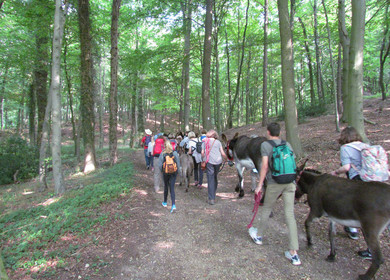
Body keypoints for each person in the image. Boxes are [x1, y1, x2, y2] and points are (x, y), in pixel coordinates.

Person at [250, 122, 301, 266]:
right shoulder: (288, 144)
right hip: (290, 182)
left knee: (266, 208)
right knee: (289, 214)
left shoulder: (266, 145)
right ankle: (293, 253)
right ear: (279, 132)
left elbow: (265, 166)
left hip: (274, 182)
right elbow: (293, 162)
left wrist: (259, 185)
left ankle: (259, 236)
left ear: (268, 132)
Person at [330, 126, 371, 260]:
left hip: (358, 181)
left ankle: (352, 230)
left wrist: (336, 172)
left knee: (347, 204)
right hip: (374, 180)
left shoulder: (345, 148)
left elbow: (346, 167)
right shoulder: (366, 145)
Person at [201, 129, 227, 205]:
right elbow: (222, 153)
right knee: (215, 177)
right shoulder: (218, 142)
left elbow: (202, 153)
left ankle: (211, 198)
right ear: (215, 135)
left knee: (210, 179)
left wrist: (203, 158)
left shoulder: (204, 142)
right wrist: (226, 159)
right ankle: (213, 194)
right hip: (218, 162)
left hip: (209, 162)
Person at [158, 140, 181, 213]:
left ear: (164, 146)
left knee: (166, 186)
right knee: (172, 188)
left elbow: (159, 165)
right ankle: (173, 205)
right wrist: (177, 172)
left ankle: (165, 202)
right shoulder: (175, 153)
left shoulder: (162, 154)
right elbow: (178, 164)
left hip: (166, 172)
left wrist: (162, 170)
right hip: (173, 172)